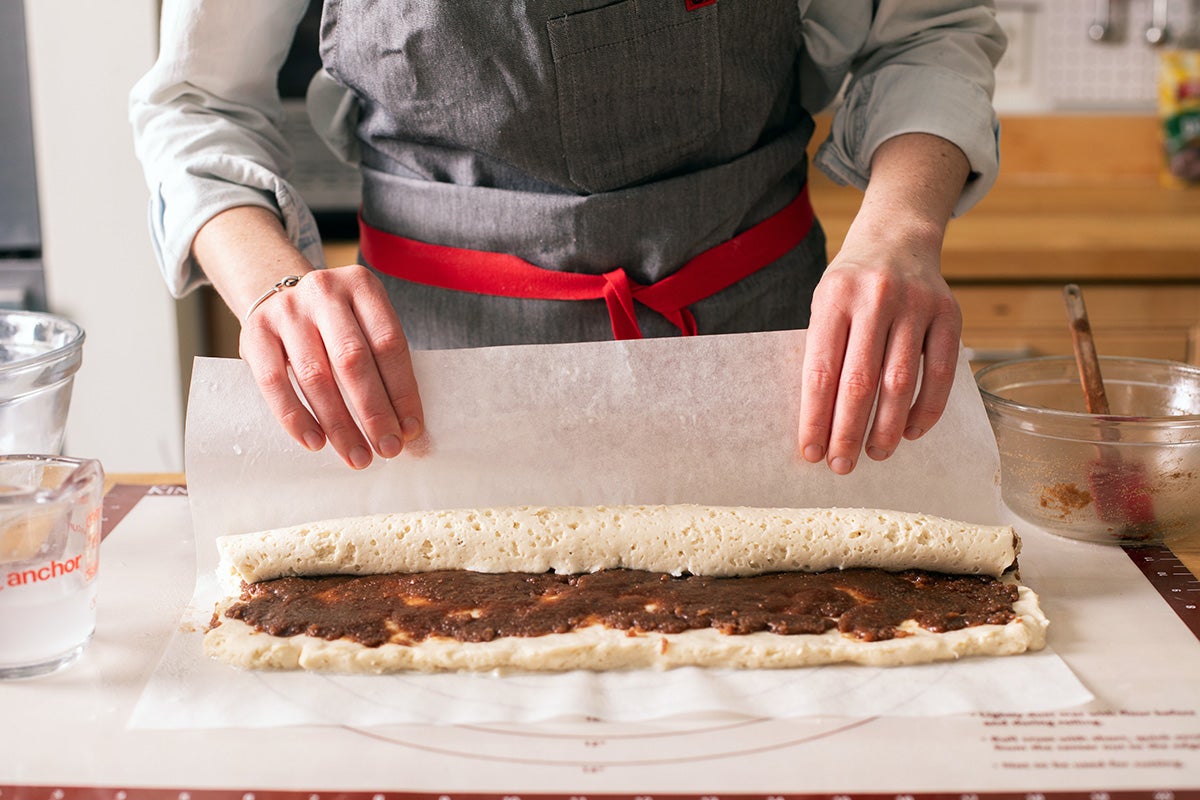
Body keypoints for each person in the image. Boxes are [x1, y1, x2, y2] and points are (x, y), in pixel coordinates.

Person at [130, 1, 1006, 474]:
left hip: (774, 364)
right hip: (427, 393)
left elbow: (926, 33)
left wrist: (898, 228)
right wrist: (273, 287)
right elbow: (196, 103)